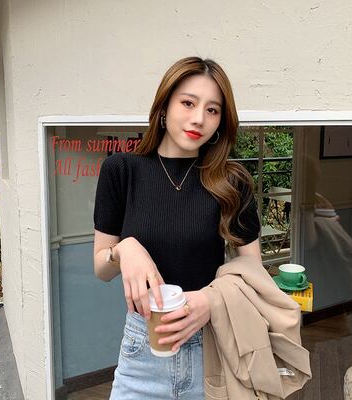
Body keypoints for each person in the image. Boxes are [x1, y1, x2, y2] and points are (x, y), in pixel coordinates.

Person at [93, 56, 262, 400]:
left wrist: (210, 300)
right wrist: (124, 249)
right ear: (164, 106)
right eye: (188, 103)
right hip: (142, 351)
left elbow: (253, 270)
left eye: (212, 110)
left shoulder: (232, 181)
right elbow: (101, 268)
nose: (199, 118)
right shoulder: (121, 170)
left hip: (212, 346)